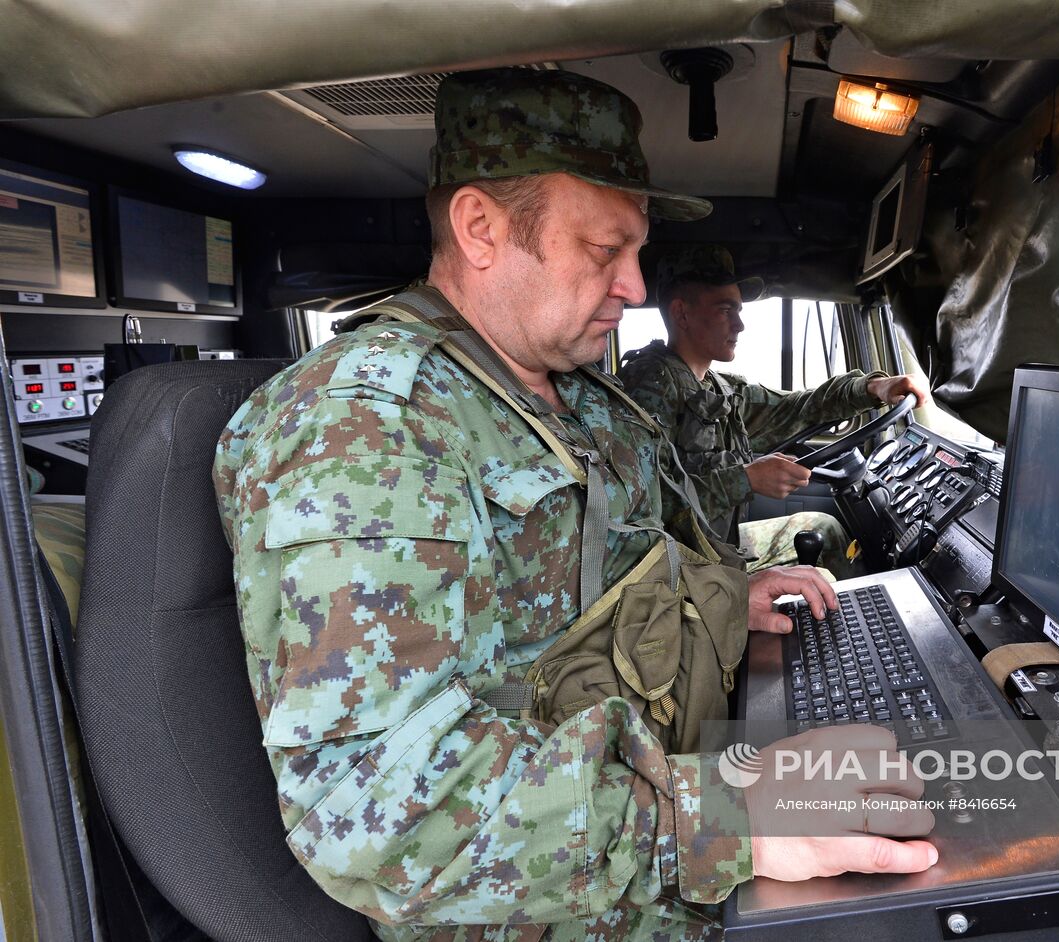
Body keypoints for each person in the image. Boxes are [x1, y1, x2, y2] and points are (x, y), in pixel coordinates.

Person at [213, 68, 936, 942]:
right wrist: (730, 813)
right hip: (559, 899)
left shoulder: (575, 395)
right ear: (481, 229)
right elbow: (379, 816)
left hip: (649, 797)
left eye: (636, 253)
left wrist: (721, 595)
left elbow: (601, 574)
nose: (635, 287)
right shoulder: (366, 425)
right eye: (605, 250)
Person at [618, 245, 930, 574]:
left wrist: (872, 388)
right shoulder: (650, 386)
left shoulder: (716, 388)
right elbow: (643, 506)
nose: (739, 325)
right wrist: (745, 480)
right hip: (679, 568)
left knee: (824, 529)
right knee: (818, 573)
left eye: (738, 310)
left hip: (716, 548)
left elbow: (799, 407)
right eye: (726, 310)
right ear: (681, 314)